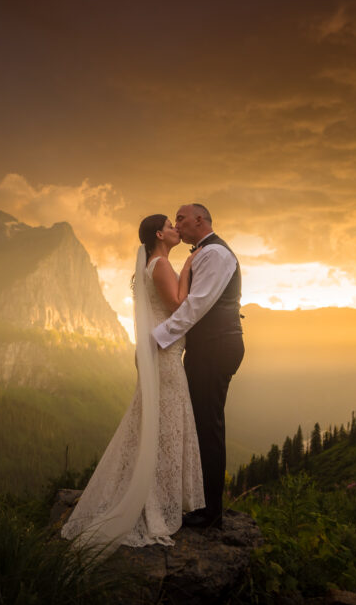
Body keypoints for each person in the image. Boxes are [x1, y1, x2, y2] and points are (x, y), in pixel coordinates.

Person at [61, 214, 205, 554]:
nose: (175, 229)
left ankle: (145, 492)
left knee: (153, 424)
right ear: (159, 234)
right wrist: (187, 270)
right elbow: (176, 305)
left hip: (159, 353)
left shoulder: (152, 265)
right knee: (166, 426)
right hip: (165, 356)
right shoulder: (162, 265)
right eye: (171, 225)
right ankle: (155, 501)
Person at [153, 203, 244, 529]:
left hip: (215, 348)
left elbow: (197, 305)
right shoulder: (204, 254)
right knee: (202, 424)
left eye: (181, 218)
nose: (177, 223)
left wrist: (159, 337)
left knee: (208, 427)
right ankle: (201, 504)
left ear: (200, 220)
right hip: (208, 348)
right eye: (174, 219)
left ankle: (211, 513)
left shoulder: (215, 255)